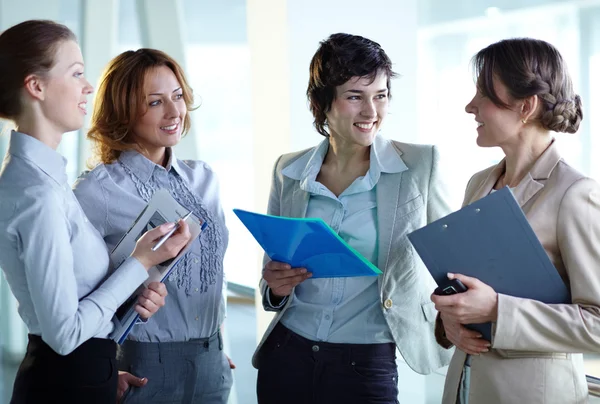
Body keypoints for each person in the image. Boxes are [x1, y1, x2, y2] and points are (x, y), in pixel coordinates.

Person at [253, 33, 453, 404]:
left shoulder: (419, 166)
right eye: (354, 96)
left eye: (380, 96)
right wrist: (275, 288)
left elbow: (453, 262)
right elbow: (272, 274)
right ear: (321, 103)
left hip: (366, 359)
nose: (371, 112)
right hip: (287, 354)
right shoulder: (289, 171)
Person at [0, 20, 191, 404]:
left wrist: (103, 369)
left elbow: (74, 307)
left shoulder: (43, 177)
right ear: (35, 87)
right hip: (64, 384)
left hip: (83, 376)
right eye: (76, 73)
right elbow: (65, 333)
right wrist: (140, 261)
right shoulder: (38, 193)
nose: (88, 86)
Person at [432, 38, 600, 404]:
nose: (469, 106)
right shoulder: (479, 183)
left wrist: (497, 309)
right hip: (465, 387)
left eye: (484, 95)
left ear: (525, 106)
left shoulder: (575, 194)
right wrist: (451, 321)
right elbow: (468, 288)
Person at [72, 48, 234, 404]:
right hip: (141, 363)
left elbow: (212, 273)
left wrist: (215, 346)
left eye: (178, 96)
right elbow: (68, 296)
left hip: (212, 363)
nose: (175, 111)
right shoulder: (97, 190)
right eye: (156, 102)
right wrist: (99, 368)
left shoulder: (205, 179)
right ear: (125, 110)